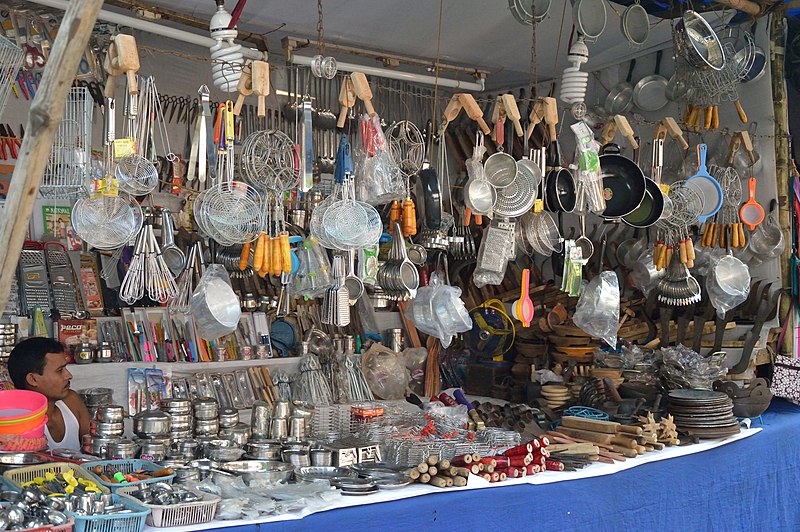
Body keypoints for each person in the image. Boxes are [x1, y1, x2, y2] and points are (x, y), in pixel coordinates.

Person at [7, 338, 90, 450]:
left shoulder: (72, 402)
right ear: (33, 379)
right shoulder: (19, 423)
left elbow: (92, 447)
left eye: (66, 368)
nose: (69, 375)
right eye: (60, 370)